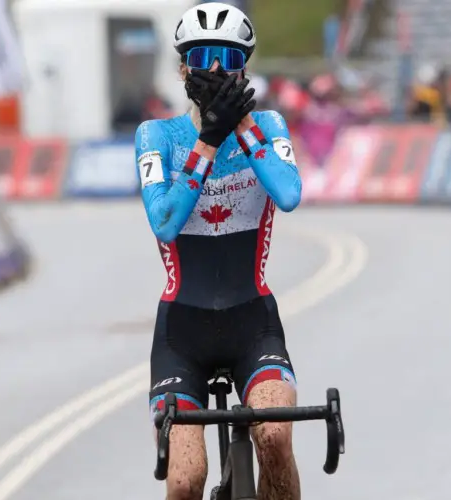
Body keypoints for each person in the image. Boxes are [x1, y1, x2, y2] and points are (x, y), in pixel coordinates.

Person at [134, 3, 302, 499]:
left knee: (274, 435)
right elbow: (165, 224)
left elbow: (288, 195)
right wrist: (207, 140)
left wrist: (242, 124)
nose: (214, 69)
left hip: (253, 322)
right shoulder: (157, 136)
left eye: (228, 59)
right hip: (182, 334)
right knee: (185, 480)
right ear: (182, 66)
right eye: (202, 56)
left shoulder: (268, 126)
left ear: (243, 68)